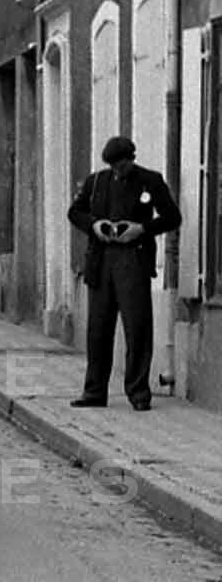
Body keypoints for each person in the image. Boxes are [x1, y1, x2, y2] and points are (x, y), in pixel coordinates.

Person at [67, 135, 182, 411]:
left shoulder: (150, 181)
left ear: (131, 159)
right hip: (101, 262)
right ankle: (94, 391)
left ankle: (138, 393)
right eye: (113, 167)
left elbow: (172, 217)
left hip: (133, 260)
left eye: (122, 166)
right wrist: (95, 226)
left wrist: (141, 229)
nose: (117, 171)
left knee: (137, 328)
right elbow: (75, 212)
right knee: (98, 331)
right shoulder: (96, 182)